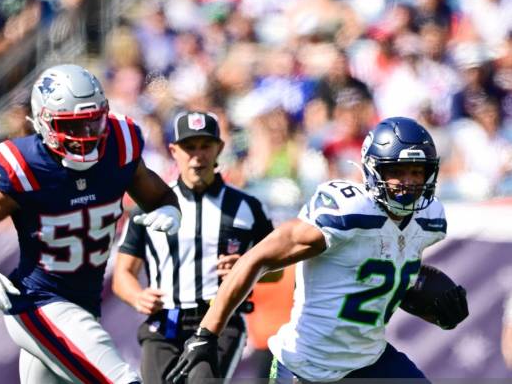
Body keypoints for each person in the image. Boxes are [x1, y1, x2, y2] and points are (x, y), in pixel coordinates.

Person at [166, 117, 470, 383]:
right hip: (308, 367)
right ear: (374, 170)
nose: (409, 183)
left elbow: (386, 270)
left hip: (370, 361)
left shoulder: (429, 219)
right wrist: (206, 334)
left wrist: (424, 296)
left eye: (417, 172)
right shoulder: (347, 212)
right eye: (398, 171)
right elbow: (256, 258)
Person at [0, 64, 181, 384]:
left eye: (93, 121)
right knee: (122, 380)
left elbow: (160, 195)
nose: (86, 135)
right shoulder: (26, 165)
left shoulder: (119, 145)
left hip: (84, 304)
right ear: (44, 122)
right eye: (73, 125)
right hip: (38, 302)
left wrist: (170, 209)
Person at [112, 110, 279, 383]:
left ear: (219, 149)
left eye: (205, 146)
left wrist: (247, 267)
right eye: (189, 147)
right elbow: (122, 275)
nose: (197, 155)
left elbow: (277, 271)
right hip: (165, 321)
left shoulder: (248, 207)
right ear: (173, 151)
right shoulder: (151, 205)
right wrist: (137, 296)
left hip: (220, 320)